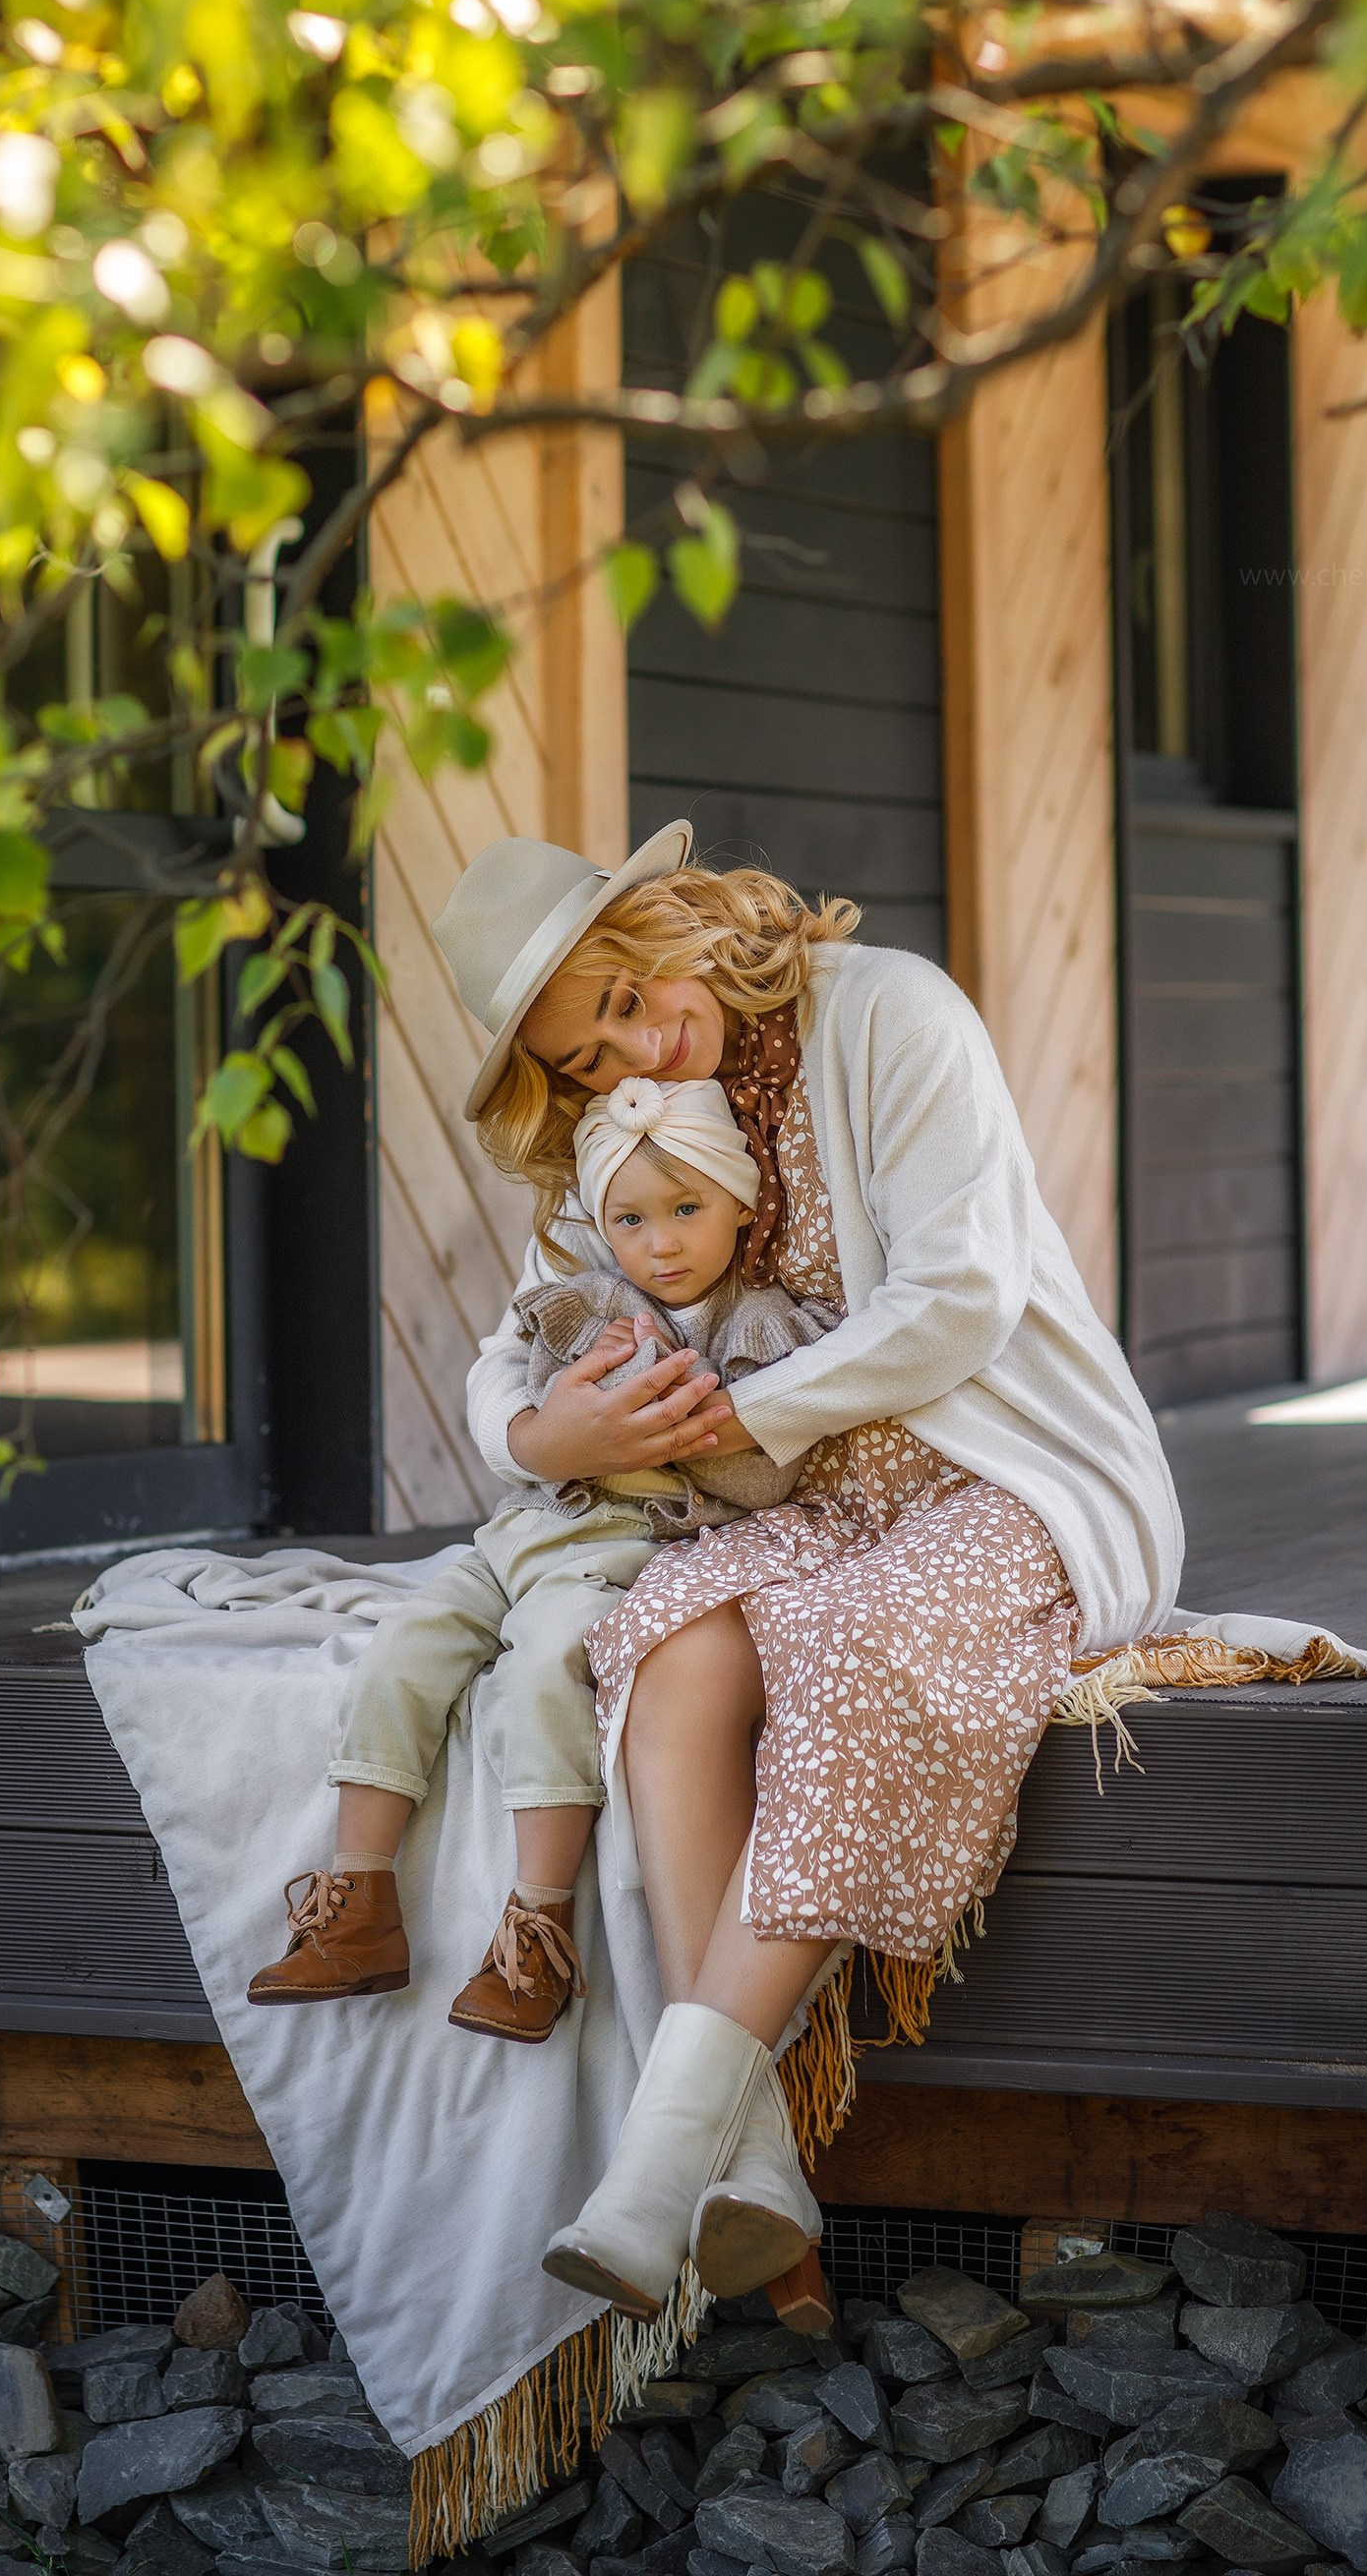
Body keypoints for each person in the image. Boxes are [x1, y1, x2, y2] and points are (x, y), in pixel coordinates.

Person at [430, 819, 1183, 2319]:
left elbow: (960, 1298)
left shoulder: (895, 1011)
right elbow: (516, 1338)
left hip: (1009, 1475)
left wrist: (726, 1416)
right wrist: (538, 1435)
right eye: (588, 1056)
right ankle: (754, 2163)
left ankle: (655, 2159)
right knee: (667, 1647)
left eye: (631, 995)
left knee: (846, 1641)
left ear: (661, 920)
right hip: (795, 1513)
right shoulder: (632, 1121)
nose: (641, 1044)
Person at [243, 1065, 836, 2042]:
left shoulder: (758, 1323)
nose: (662, 1243)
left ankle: (536, 1928)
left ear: (738, 1201)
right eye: (633, 1221)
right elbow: (516, 1383)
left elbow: (775, 1472)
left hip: (621, 1546)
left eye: (686, 1209)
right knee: (405, 1647)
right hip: (522, 1528)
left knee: (541, 1675)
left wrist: (705, 1434)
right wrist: (554, 1423)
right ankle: (355, 1904)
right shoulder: (582, 1299)